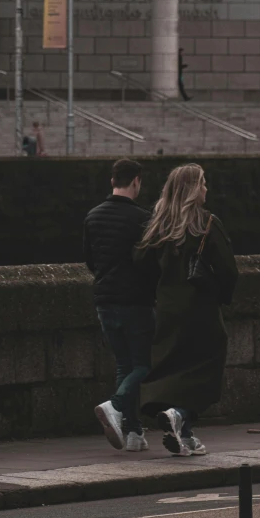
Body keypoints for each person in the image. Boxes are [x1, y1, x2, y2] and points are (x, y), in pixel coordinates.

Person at [134, 164, 238, 457]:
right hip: (201, 307)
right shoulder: (206, 223)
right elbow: (228, 269)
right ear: (193, 189)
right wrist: (222, 296)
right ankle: (179, 413)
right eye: (203, 184)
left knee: (174, 366)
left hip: (168, 308)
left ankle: (186, 435)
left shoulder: (158, 225)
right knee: (206, 366)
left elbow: (141, 264)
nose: (207, 189)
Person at [84, 159, 155, 452]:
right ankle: (114, 406)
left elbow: (90, 260)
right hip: (134, 301)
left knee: (124, 365)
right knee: (144, 365)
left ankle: (134, 432)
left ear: (113, 181)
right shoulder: (142, 218)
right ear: (136, 181)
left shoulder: (93, 216)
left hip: (104, 300)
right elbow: (150, 264)